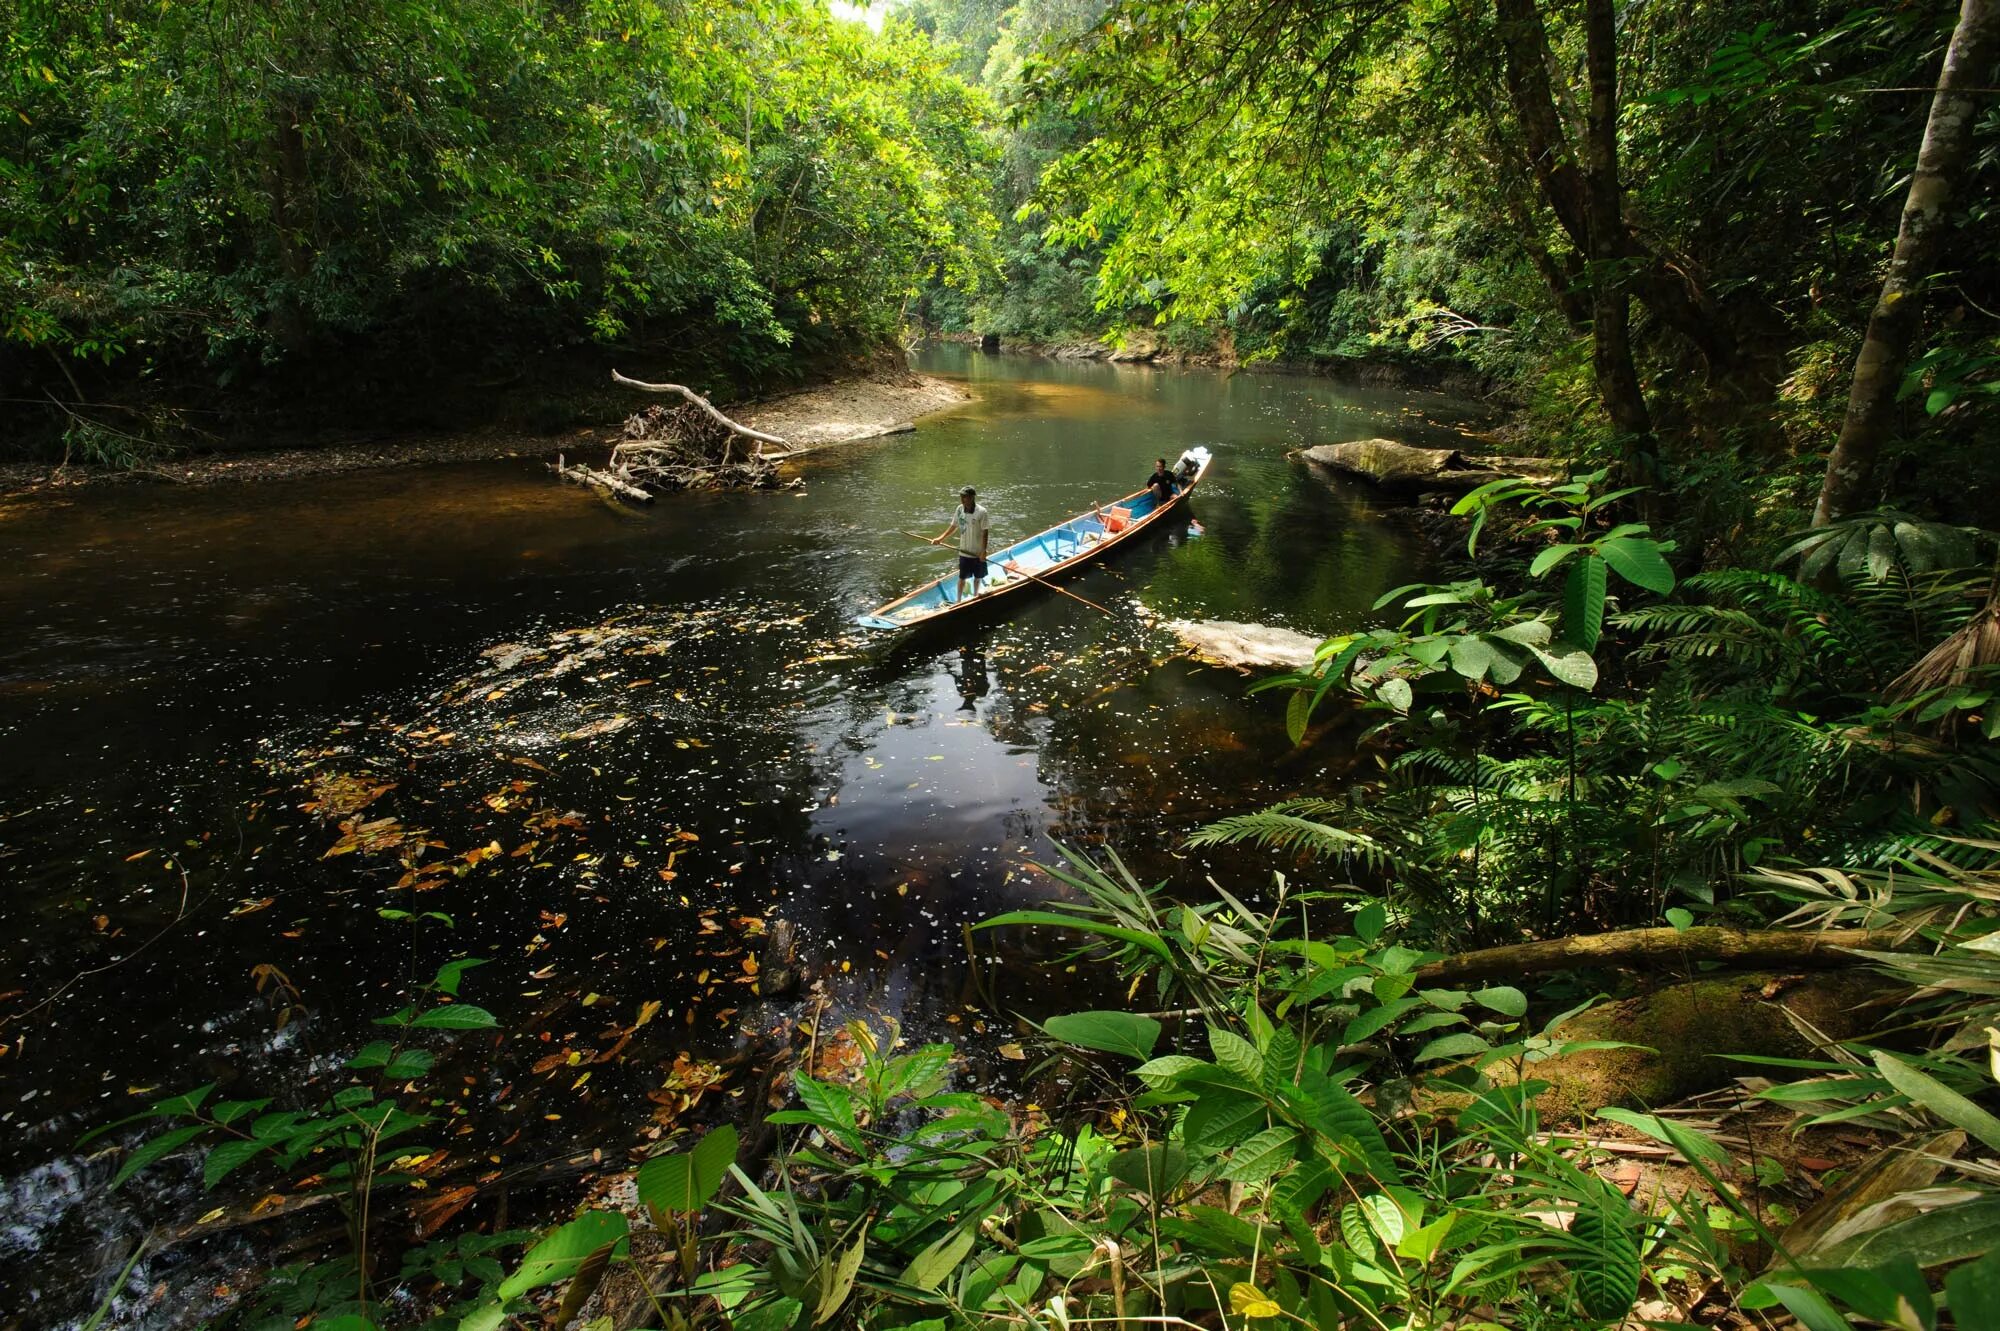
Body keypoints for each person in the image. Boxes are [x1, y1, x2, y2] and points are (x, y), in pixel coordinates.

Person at [930, 485, 991, 600]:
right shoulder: (959, 509)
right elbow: (953, 526)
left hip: (977, 553)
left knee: (978, 577)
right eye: (962, 497)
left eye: (965, 497)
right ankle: (958, 601)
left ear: (972, 497)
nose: (963, 499)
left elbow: (985, 532)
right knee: (962, 578)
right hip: (964, 552)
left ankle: (975, 596)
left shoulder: (981, 512)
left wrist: (983, 551)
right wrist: (940, 538)